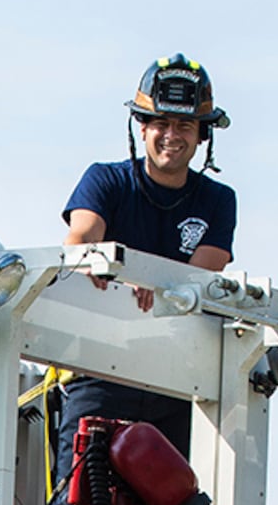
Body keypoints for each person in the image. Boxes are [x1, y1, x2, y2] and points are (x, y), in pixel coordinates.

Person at [54, 54, 236, 476]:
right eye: (161, 124)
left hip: (174, 379)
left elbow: (204, 273)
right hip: (98, 370)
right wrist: (106, 268)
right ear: (142, 127)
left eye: (184, 126)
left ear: (202, 135)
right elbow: (80, 241)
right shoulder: (105, 180)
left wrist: (153, 279)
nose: (172, 135)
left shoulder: (218, 200)